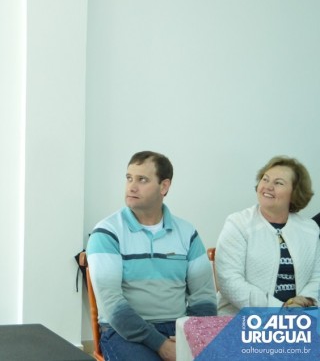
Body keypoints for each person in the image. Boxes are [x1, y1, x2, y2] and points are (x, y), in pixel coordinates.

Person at [86, 151, 216, 361]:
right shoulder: (107, 233)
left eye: (142, 180)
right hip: (124, 332)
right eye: (129, 178)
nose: (131, 187)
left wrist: (192, 337)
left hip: (178, 327)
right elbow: (112, 306)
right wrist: (161, 344)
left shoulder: (187, 233)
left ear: (164, 186)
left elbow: (204, 296)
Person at [216, 156, 319, 315]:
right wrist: (279, 308)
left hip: (299, 317)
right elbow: (229, 282)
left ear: (294, 193)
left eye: (278, 183)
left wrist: (304, 302)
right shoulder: (238, 224)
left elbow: (317, 277)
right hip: (244, 317)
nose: (268, 186)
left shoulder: (310, 229)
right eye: (265, 179)